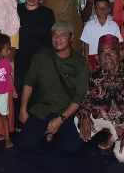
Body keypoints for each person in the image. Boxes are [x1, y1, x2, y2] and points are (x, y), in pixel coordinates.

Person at [76, 34, 124, 162]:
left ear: (121, 54)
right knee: (78, 122)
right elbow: (87, 98)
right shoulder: (96, 74)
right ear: (98, 58)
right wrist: (84, 116)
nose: (107, 56)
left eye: (112, 51)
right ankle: (112, 133)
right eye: (103, 53)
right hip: (107, 118)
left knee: (123, 157)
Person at [17, 21, 89, 153]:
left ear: (72, 38)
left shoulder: (80, 62)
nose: (58, 39)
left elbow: (79, 97)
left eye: (62, 35)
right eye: (55, 35)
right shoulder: (41, 56)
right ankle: (49, 133)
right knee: (24, 144)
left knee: (70, 148)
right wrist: (23, 109)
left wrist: (61, 119)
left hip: (67, 112)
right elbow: (29, 82)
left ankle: (56, 134)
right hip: (43, 109)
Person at [14, 0, 55, 130]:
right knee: (17, 90)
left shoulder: (47, 13)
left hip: (39, 59)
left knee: (37, 92)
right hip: (18, 57)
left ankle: (34, 124)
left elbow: (50, 40)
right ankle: (17, 123)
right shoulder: (16, 10)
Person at [0, 34, 18, 148]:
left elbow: (9, 76)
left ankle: (7, 137)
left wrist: (14, 90)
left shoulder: (6, 61)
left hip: (3, 93)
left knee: (4, 115)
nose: (9, 51)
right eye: (7, 49)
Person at [80, 0, 122, 70]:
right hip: (92, 57)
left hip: (109, 57)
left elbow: (118, 44)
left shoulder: (113, 25)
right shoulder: (89, 25)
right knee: (94, 78)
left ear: (109, 9)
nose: (102, 10)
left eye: (105, 8)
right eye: (99, 8)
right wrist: (87, 62)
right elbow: (86, 45)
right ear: (94, 10)